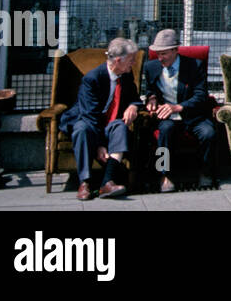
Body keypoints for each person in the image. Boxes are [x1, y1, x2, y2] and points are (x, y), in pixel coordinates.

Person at [58, 37, 141, 200]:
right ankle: (84, 183)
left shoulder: (125, 74)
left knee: (120, 127)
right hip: (86, 119)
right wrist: (99, 145)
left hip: (109, 121)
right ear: (118, 60)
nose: (133, 63)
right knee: (81, 130)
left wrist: (133, 106)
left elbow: (134, 97)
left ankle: (107, 182)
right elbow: (90, 116)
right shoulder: (92, 78)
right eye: (131, 60)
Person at [142, 29, 218, 191]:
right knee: (164, 131)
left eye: (164, 54)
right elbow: (150, 90)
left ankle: (205, 171)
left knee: (208, 133)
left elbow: (200, 95)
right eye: (157, 54)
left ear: (175, 50)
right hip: (167, 117)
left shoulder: (194, 66)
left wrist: (177, 107)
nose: (160, 58)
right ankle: (163, 174)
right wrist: (152, 98)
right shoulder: (151, 67)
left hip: (192, 114)